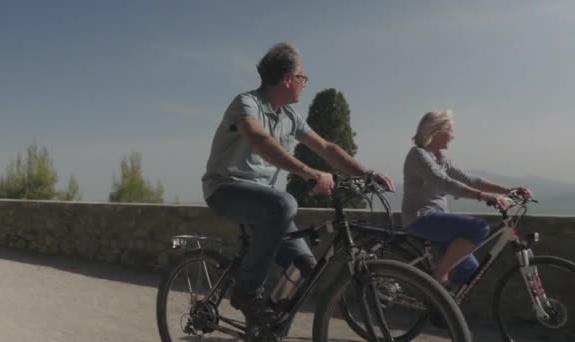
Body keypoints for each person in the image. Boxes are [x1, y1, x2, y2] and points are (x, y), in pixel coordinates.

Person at [202, 42, 394, 323]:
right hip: (225, 189)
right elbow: (260, 141)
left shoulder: (289, 116)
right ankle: (247, 291)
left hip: (262, 201)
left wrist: (366, 174)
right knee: (284, 203)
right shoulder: (246, 104)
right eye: (303, 78)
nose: (305, 84)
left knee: (305, 265)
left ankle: (267, 326)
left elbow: (326, 148)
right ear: (288, 79)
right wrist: (311, 173)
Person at [401, 110, 530, 288]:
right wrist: (483, 196)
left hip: (437, 218)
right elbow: (445, 182)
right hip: (420, 219)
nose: (453, 136)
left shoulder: (440, 158)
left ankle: (441, 307)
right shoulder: (417, 155)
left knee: (469, 268)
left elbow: (471, 180)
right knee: (478, 228)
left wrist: (508, 190)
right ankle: (439, 275)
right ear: (437, 131)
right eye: (451, 130)